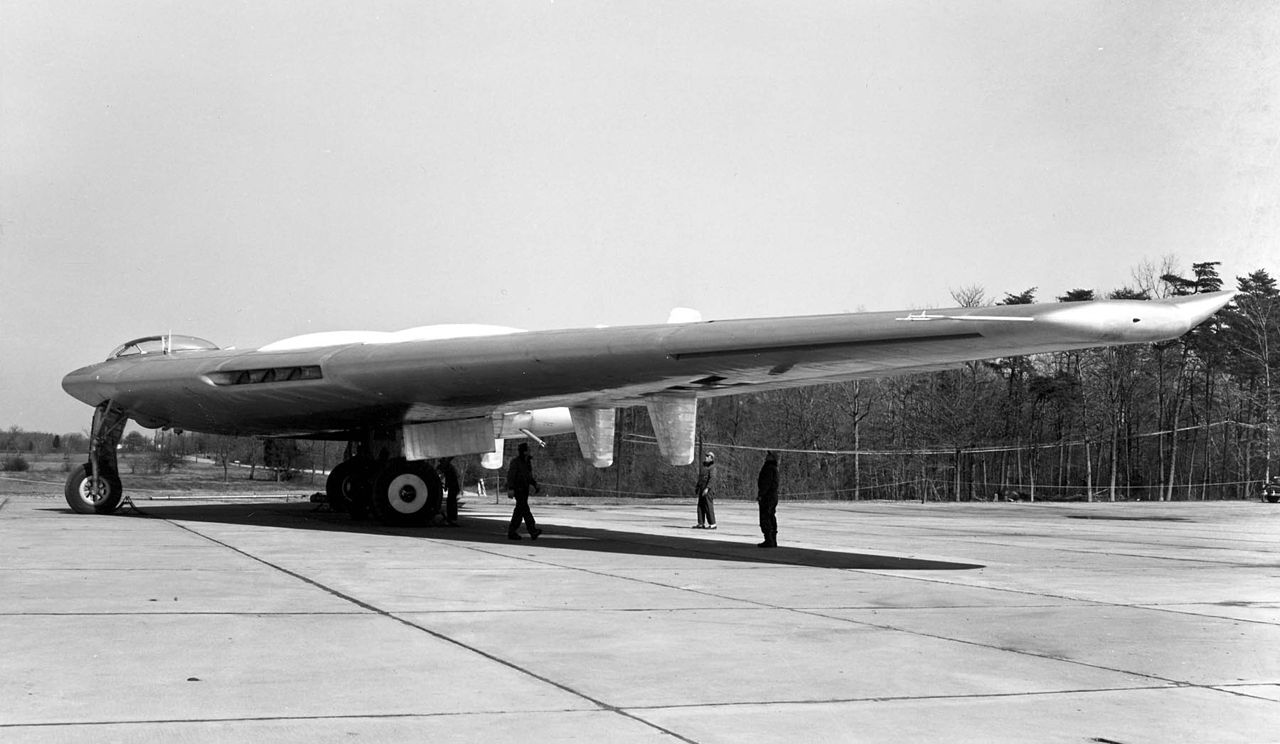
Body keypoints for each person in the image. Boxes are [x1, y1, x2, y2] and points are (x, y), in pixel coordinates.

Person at [505, 442, 542, 540]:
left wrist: (534, 484)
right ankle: (529, 530)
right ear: (525, 452)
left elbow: (528, 476)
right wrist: (511, 488)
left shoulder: (527, 462)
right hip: (518, 489)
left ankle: (525, 531)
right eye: (528, 450)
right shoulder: (516, 462)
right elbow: (511, 476)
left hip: (524, 489)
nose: (530, 451)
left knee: (522, 511)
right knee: (523, 510)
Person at [757, 451, 779, 548]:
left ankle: (769, 539)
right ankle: (772, 539)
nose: (766, 456)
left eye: (768, 455)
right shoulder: (774, 468)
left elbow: (766, 483)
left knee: (766, 517)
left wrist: (761, 494)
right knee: (771, 516)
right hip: (772, 496)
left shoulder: (769, 469)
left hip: (768, 496)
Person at [693, 452, 717, 529]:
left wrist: (707, 488)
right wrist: (697, 487)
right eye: (706, 456)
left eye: (708, 456)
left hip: (708, 490)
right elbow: (701, 478)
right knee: (700, 506)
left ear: (712, 458)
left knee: (708, 506)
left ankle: (713, 524)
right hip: (702, 489)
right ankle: (701, 523)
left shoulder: (712, 467)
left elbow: (712, 479)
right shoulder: (704, 467)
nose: (706, 457)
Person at [437, 457, 461, 526]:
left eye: (441, 462)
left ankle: (452, 518)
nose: (440, 464)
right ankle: (452, 518)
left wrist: (446, 486)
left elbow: (449, 477)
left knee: (451, 503)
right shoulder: (449, 467)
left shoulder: (448, 468)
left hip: (453, 487)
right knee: (451, 502)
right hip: (453, 487)